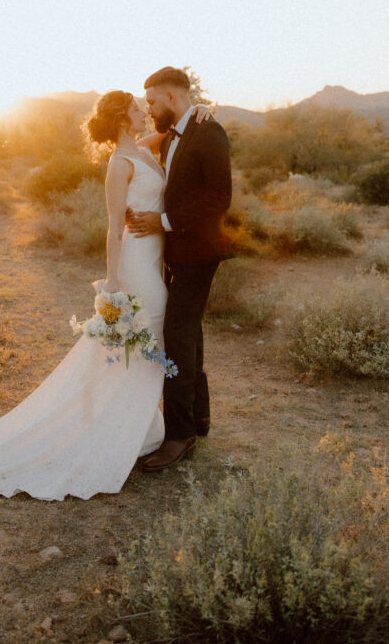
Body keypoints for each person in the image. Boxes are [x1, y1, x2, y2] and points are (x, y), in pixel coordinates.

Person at [0, 90, 207, 501]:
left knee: (141, 348)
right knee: (141, 344)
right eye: (138, 109)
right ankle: (109, 430)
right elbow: (111, 226)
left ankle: (131, 425)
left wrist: (202, 109)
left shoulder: (142, 148)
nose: (145, 113)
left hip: (154, 261)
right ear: (123, 118)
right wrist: (113, 283)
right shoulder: (120, 164)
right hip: (137, 267)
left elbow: (178, 128)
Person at [127, 66, 232, 472]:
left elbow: (219, 197)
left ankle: (179, 435)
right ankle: (199, 417)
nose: (149, 108)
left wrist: (165, 223)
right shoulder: (174, 134)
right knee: (190, 332)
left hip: (199, 252)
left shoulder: (209, 132)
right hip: (175, 252)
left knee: (177, 334)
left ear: (172, 97)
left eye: (152, 101)